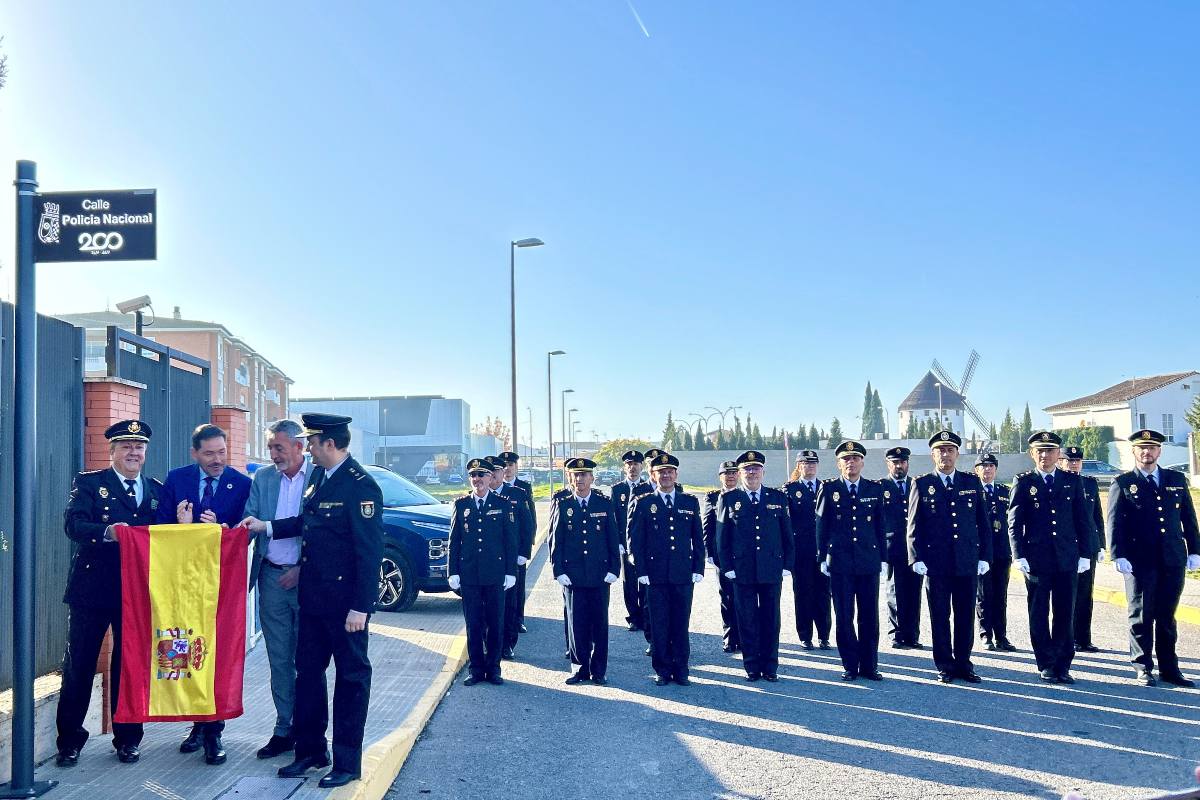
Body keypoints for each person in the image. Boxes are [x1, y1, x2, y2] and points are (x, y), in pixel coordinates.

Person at [241, 413, 384, 788]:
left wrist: (361, 607)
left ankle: (347, 762)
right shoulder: (320, 479)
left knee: (351, 679)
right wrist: (266, 526)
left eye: (314, 444)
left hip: (345, 606)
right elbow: (306, 521)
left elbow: (369, 554)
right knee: (307, 677)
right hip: (314, 601)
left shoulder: (360, 486)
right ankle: (310, 751)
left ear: (329, 445)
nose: (310, 451)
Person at [55, 420, 160, 767]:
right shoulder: (90, 484)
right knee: (80, 665)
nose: (133, 452)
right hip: (92, 589)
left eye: (139, 446)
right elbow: (73, 524)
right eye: (126, 446)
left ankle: (128, 739)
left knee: (130, 668)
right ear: (112, 451)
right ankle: (70, 740)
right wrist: (106, 531)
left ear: (145, 452)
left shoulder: (157, 490)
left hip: (136, 593)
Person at [157, 423, 252, 765]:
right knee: (187, 652)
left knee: (217, 655)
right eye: (209, 453)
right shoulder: (177, 479)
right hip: (184, 588)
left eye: (222, 452)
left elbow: (247, 533)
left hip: (221, 589)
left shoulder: (241, 484)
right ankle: (197, 724)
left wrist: (223, 532)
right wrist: (182, 528)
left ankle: (214, 732)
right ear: (194, 453)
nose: (217, 460)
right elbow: (158, 527)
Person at [1107, 429, 1200, 687]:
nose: (1147, 452)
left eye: (1152, 448)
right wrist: (1118, 554)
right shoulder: (1123, 483)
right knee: (1141, 614)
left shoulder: (1176, 479)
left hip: (1172, 558)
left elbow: (1189, 520)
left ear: (1159, 451)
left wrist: (1195, 550)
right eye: (1142, 448)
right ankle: (1143, 666)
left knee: (1167, 616)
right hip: (1139, 560)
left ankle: (1170, 669)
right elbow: (1114, 523)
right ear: (1134, 451)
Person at [244, 419, 313, 760]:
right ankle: (284, 728)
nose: (273, 455)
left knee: (308, 659)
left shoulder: (319, 478)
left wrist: (302, 569)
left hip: (307, 581)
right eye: (270, 447)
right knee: (279, 659)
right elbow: (250, 519)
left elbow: (321, 531)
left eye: (279, 448)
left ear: (299, 447)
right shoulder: (264, 478)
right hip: (271, 579)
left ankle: (309, 729)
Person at [1007, 431, 1094, 684]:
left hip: (1067, 558)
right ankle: (1045, 662)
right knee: (1039, 611)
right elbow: (1014, 522)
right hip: (1037, 559)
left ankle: (1063, 664)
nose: (1045, 455)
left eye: (1050, 451)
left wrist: (1085, 554)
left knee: (1065, 612)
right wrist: (1018, 554)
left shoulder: (1071, 481)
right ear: (1032, 454)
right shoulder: (1024, 482)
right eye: (1040, 451)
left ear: (1058, 454)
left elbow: (1083, 521)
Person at [907, 430, 992, 684]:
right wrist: (916, 557)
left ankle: (964, 664)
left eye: (950, 450)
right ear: (933, 454)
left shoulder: (971, 482)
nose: (946, 454)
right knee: (940, 615)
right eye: (940, 450)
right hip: (936, 563)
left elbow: (983, 523)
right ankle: (944, 664)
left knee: (965, 615)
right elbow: (914, 525)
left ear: (957, 453)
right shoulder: (922, 484)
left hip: (966, 561)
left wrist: (984, 556)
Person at [717, 451, 794, 682]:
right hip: (742, 570)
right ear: (740, 473)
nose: (752, 473)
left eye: (756, 468)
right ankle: (751, 666)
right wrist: (727, 566)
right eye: (747, 469)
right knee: (747, 619)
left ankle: (770, 667)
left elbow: (786, 534)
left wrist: (787, 564)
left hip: (771, 568)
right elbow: (722, 538)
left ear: (763, 472)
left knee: (771, 619)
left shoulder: (777, 498)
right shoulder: (729, 499)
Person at [629, 453, 705, 686]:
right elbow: (636, 540)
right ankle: (662, 670)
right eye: (661, 472)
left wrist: (698, 568)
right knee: (660, 624)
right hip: (655, 575)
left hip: (683, 574)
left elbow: (697, 539)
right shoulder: (644, 503)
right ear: (653, 475)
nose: (666, 475)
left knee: (681, 624)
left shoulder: (689, 502)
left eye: (670, 471)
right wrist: (640, 570)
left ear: (676, 475)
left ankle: (681, 669)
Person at [816, 441, 887, 681]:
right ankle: (850, 664)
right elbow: (821, 526)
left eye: (855, 458)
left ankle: (869, 665)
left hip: (868, 561)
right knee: (844, 616)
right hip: (840, 562)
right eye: (846, 459)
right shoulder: (828, 489)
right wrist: (822, 557)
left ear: (862, 462)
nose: (851, 462)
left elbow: (880, 526)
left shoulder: (873, 489)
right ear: (839, 463)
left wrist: (883, 558)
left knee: (869, 616)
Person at [549, 458, 621, 685]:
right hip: (573, 576)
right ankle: (580, 669)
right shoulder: (563, 504)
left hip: (600, 576)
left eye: (584, 475)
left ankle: (599, 671)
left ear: (592, 478)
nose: (579, 479)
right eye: (575, 475)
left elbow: (613, 538)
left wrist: (614, 569)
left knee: (600, 624)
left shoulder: (603, 503)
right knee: (576, 624)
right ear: (570, 478)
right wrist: (558, 570)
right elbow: (555, 541)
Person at [449, 458, 518, 685]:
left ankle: (494, 669)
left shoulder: (503, 503)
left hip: (495, 574)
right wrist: (453, 571)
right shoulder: (461, 505)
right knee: (474, 623)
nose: (477, 480)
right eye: (473, 476)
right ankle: (476, 669)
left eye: (482, 475)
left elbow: (510, 541)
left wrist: (510, 572)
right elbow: (454, 541)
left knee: (496, 622)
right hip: (469, 575)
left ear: (491, 478)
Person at [1058, 445, 1107, 653]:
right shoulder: (1058, 483)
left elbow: (1097, 517)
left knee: (1086, 595)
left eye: (1077, 461)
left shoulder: (1089, 484)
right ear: (1061, 462)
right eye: (1069, 460)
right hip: (1067, 547)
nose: (1074, 464)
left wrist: (1101, 544)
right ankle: (1066, 637)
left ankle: (1083, 638)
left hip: (1088, 547)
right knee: (1067, 595)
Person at [783, 450, 832, 651]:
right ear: (799, 466)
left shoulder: (827, 488)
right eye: (805, 463)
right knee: (803, 593)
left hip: (823, 551)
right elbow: (785, 523)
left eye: (813, 463)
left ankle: (824, 636)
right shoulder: (790, 489)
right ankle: (805, 635)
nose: (810, 467)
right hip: (801, 552)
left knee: (823, 593)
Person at [491, 456, 533, 660]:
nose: (495, 474)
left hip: (512, 559)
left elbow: (528, 525)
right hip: (489, 561)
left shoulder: (517, 494)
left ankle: (507, 643)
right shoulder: (480, 497)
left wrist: (524, 553)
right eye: (491, 471)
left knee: (510, 603)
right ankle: (488, 643)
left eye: (498, 470)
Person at [880, 446, 922, 650]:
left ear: (907, 463)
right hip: (893, 547)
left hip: (915, 549)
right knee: (895, 591)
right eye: (895, 462)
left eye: (902, 462)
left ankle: (912, 634)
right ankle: (896, 633)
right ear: (888, 464)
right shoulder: (881, 486)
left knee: (914, 591)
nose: (899, 466)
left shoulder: (916, 484)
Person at [974, 453, 1015, 652]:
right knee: (983, 595)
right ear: (977, 470)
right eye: (983, 466)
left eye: (991, 466)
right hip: (982, 553)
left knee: (1001, 595)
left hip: (1001, 551)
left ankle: (1001, 635)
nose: (987, 470)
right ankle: (985, 634)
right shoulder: (972, 492)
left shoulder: (1004, 491)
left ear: (995, 470)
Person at [610, 450, 653, 633]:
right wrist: (618, 542)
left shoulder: (648, 488)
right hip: (624, 545)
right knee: (629, 582)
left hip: (644, 544)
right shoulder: (617, 489)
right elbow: (613, 519)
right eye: (629, 464)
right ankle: (633, 617)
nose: (632, 467)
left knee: (645, 579)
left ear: (642, 467)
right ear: (624, 467)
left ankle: (645, 614)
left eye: (636, 464)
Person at [703, 460, 741, 653]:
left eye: (734, 473)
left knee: (743, 597)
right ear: (720, 477)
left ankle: (743, 635)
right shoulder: (713, 497)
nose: (731, 476)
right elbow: (707, 526)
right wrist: (709, 552)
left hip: (743, 556)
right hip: (722, 556)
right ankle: (729, 636)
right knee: (726, 596)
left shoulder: (745, 496)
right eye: (727, 473)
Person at [499, 451, 537, 632]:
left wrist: (528, 544)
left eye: (511, 465)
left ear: (516, 467)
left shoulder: (523, 488)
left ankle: (518, 619)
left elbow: (530, 518)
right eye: (504, 465)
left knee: (519, 585)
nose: (507, 469)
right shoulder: (493, 488)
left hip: (518, 546)